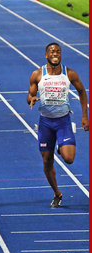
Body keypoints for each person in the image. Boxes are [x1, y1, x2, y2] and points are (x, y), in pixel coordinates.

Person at [27, 42, 89, 208]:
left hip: (63, 122)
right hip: (46, 123)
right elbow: (30, 95)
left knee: (68, 159)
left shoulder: (70, 73)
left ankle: (60, 146)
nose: (55, 53)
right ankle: (57, 193)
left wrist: (85, 116)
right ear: (46, 55)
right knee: (47, 162)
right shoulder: (37, 74)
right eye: (52, 51)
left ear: (61, 55)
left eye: (58, 51)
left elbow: (82, 91)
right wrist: (31, 99)